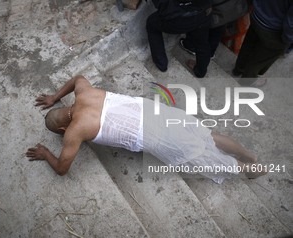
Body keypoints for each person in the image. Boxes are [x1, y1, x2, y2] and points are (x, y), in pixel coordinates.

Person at [26, 76, 266, 183]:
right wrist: (54, 96)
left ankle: (250, 168)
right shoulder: (84, 91)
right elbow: (77, 77)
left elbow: (61, 169)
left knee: (198, 156)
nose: (64, 136)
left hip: (154, 135)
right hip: (155, 111)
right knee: (205, 135)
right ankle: (248, 155)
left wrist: (47, 153)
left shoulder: (74, 131)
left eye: (60, 133)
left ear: (62, 127)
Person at [233, 0, 293, 86]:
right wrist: (287, 40)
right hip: (274, 29)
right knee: (259, 61)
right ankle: (246, 82)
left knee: (248, 45)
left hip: (257, 14)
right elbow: (290, 24)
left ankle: (238, 69)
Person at [146, 0, 212, 78]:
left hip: (177, 20)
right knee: (202, 44)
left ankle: (161, 63)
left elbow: (162, 6)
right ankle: (201, 71)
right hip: (202, 14)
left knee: (151, 23)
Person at [179, 0, 249, 59]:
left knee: (203, 23)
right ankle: (210, 52)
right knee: (220, 25)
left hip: (216, 8)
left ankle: (191, 45)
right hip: (233, 8)